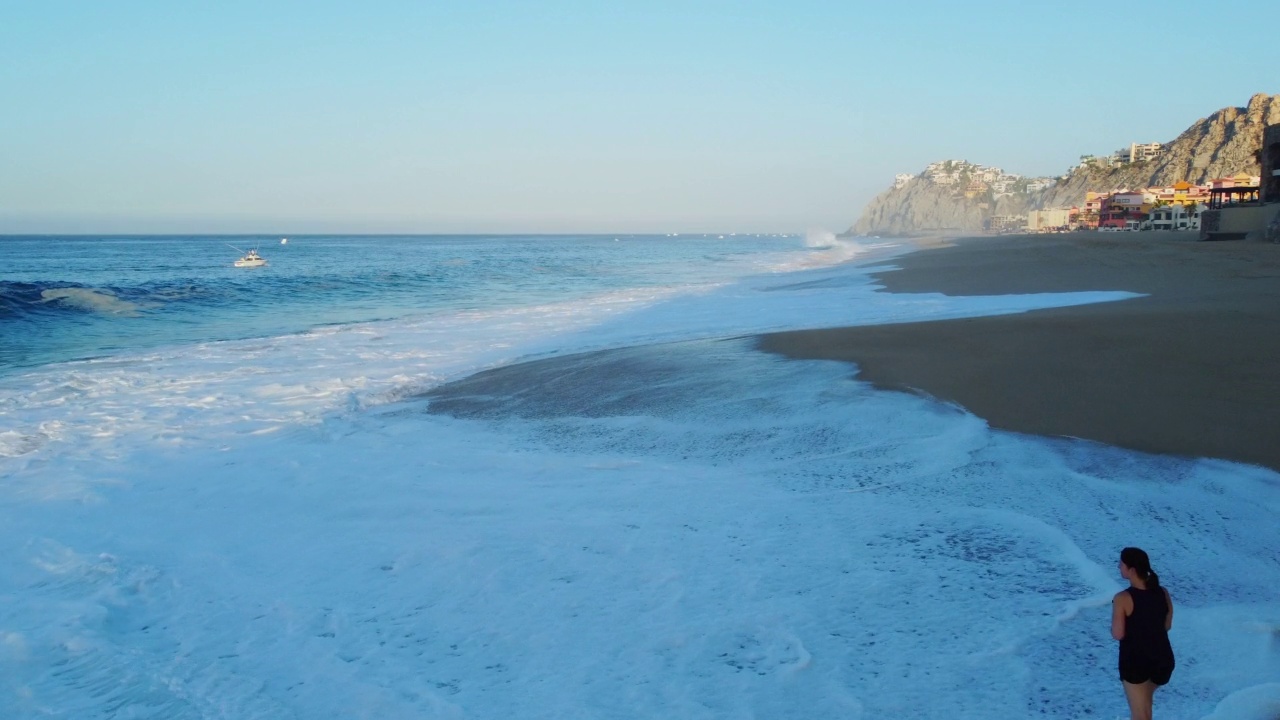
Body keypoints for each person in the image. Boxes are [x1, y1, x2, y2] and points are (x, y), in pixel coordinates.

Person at [1111, 547, 1175, 720]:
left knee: (1141, 714)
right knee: (1144, 709)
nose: (1118, 567)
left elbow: (1118, 634)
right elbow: (1167, 625)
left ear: (1131, 570)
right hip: (1163, 660)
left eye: (1121, 564)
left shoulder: (1122, 598)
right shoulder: (1163, 592)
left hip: (1136, 662)